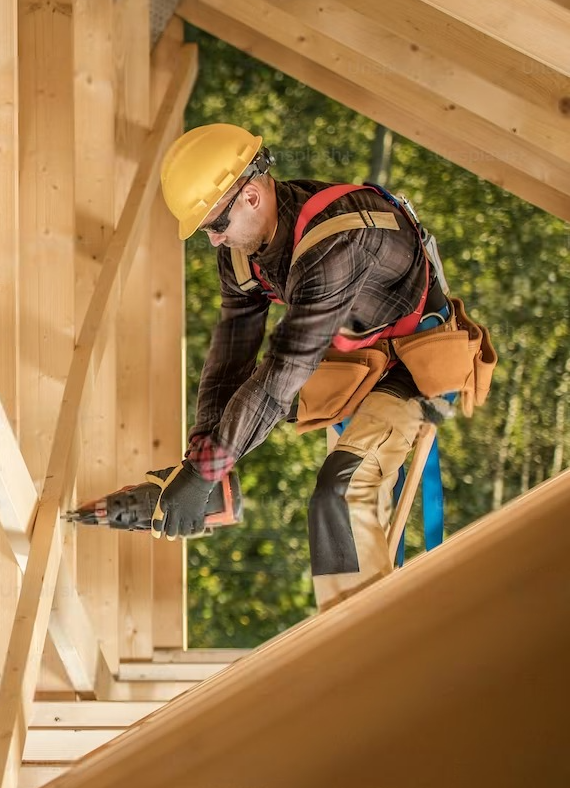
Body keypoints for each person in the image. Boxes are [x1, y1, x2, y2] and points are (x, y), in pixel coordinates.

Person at [138, 123, 492, 610]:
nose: (216, 242)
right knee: (319, 484)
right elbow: (231, 358)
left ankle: (362, 652)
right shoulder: (243, 256)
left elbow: (285, 370)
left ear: (252, 196)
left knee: (339, 495)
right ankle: (355, 633)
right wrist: (203, 458)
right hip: (355, 362)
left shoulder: (336, 241)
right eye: (206, 233)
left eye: (216, 226)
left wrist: (204, 472)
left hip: (413, 364)